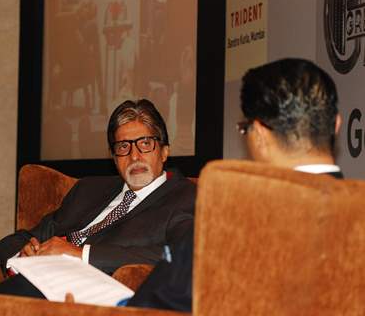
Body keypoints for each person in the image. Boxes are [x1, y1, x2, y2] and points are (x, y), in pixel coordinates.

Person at [0, 99, 195, 315]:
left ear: (164, 151)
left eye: (145, 144)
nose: (135, 156)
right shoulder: (88, 191)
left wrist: (80, 254)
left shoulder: (186, 197)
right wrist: (23, 253)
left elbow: (177, 256)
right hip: (37, 278)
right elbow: (17, 238)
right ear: (114, 157)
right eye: (123, 147)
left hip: (89, 292)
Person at [128, 58, 344, 311]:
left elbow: (152, 305)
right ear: (337, 125)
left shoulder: (234, 218)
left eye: (245, 129)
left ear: (260, 135)